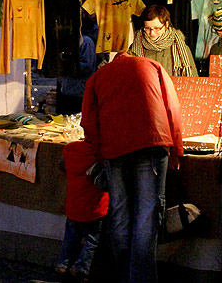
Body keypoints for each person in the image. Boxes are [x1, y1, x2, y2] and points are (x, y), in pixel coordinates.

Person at [81, 52, 183, 283]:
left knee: (119, 211)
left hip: (114, 148)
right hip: (152, 142)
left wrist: (100, 152)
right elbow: (172, 109)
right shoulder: (154, 66)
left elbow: (88, 121)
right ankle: (141, 278)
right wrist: (177, 148)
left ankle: (124, 274)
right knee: (147, 212)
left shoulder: (98, 77)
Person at [55, 140, 108, 283]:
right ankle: (81, 268)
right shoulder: (98, 156)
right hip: (94, 209)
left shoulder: (71, 152)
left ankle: (63, 264)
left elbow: (62, 167)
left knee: (71, 238)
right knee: (92, 241)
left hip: (73, 206)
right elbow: (105, 183)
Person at [129, 4, 197, 77]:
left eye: (157, 28)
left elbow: (194, 79)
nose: (152, 33)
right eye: (148, 28)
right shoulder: (134, 49)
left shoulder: (182, 49)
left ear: (166, 24)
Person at [57, 21, 97, 115]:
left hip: (79, 91)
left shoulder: (86, 42)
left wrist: (68, 65)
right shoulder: (70, 42)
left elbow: (86, 66)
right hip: (68, 90)